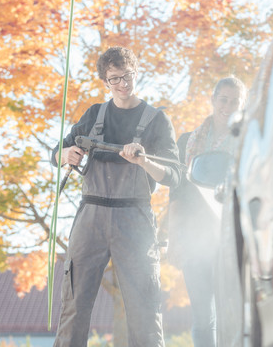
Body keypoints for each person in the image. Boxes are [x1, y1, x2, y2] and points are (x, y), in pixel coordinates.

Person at [51, 46, 181, 347]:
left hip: (134, 219)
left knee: (144, 309)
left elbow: (174, 176)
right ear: (105, 81)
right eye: (115, 79)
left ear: (136, 72)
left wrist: (144, 161)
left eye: (128, 76)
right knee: (75, 305)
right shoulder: (94, 115)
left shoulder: (157, 120)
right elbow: (59, 152)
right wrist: (64, 154)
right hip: (91, 217)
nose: (123, 84)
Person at [168, 76, 247, 347]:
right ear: (213, 101)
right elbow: (176, 193)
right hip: (193, 238)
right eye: (223, 99)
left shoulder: (246, 142)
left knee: (232, 315)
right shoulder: (188, 142)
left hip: (230, 237)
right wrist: (173, 237)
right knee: (203, 318)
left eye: (235, 101)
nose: (228, 105)